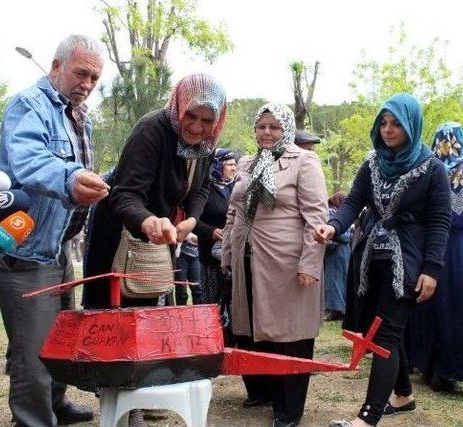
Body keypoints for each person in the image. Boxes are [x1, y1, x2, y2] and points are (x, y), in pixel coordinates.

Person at [82, 73, 226, 427]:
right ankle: (123, 405)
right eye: (191, 116)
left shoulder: (206, 144)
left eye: (207, 120)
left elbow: (202, 187)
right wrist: (147, 221)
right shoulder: (152, 130)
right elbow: (124, 194)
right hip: (122, 233)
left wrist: (191, 218)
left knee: (148, 311)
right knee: (119, 317)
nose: (196, 126)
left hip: (159, 234)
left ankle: (141, 395)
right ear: (178, 105)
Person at [0, 34, 108, 427]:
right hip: (25, 251)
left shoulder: (77, 113)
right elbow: (28, 161)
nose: (87, 84)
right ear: (56, 67)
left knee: (61, 341)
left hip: (58, 247)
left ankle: (56, 404)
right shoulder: (28, 105)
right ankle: (34, 419)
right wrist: (71, 178)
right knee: (33, 353)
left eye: (94, 78)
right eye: (81, 73)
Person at [314, 93, 451, 427]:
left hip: (408, 262)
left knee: (385, 337)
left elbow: (439, 223)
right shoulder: (372, 162)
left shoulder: (433, 169)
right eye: (383, 124)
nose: (388, 131)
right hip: (370, 261)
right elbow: (352, 203)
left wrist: (431, 269)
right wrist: (332, 226)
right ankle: (402, 396)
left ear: (412, 125)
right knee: (385, 334)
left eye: (396, 124)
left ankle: (367, 418)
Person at [221, 103, 328, 427]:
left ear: (286, 130)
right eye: (261, 127)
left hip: (286, 260)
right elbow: (234, 211)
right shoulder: (247, 163)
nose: (266, 132)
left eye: (274, 127)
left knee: (291, 334)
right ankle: (268, 394)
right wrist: (227, 252)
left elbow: (316, 217)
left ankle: (289, 408)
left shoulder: (304, 161)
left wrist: (310, 264)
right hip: (250, 258)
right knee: (259, 330)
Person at [407, 122, 463, 391]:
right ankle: (452, 371)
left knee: (430, 306)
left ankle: (427, 364)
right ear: (460, 139)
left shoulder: (425, 170)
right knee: (462, 306)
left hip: (432, 246)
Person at [194, 148, 237, 306]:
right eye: (229, 165)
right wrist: (210, 231)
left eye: (235, 164)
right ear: (217, 166)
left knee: (234, 301)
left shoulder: (233, 188)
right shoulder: (204, 189)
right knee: (215, 301)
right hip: (211, 255)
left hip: (232, 253)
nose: (234, 168)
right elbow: (191, 220)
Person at [324, 191, 351, 321]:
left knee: (340, 280)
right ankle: (335, 309)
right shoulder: (332, 213)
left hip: (341, 251)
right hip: (337, 251)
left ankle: (340, 309)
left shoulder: (336, 213)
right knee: (334, 280)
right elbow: (342, 235)